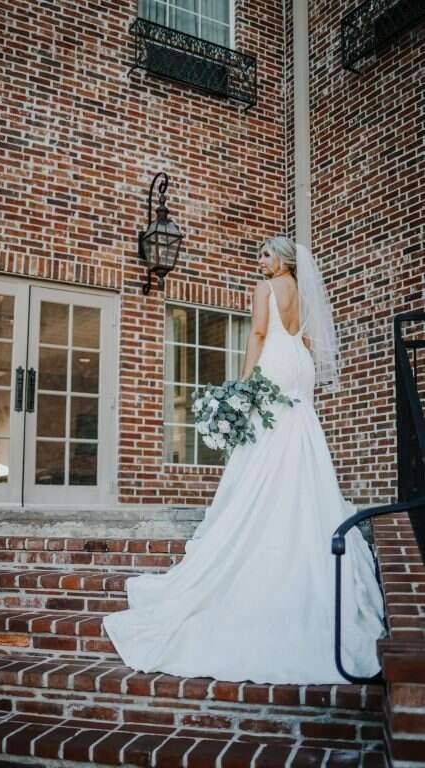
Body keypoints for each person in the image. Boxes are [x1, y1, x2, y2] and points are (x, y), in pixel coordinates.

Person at [103, 236, 386, 684]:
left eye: (265, 256)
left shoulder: (265, 289)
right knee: (297, 438)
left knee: (263, 448)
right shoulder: (303, 291)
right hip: (298, 365)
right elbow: (307, 338)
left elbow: (257, 333)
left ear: (281, 261)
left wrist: (241, 383)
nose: (260, 262)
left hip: (273, 361)